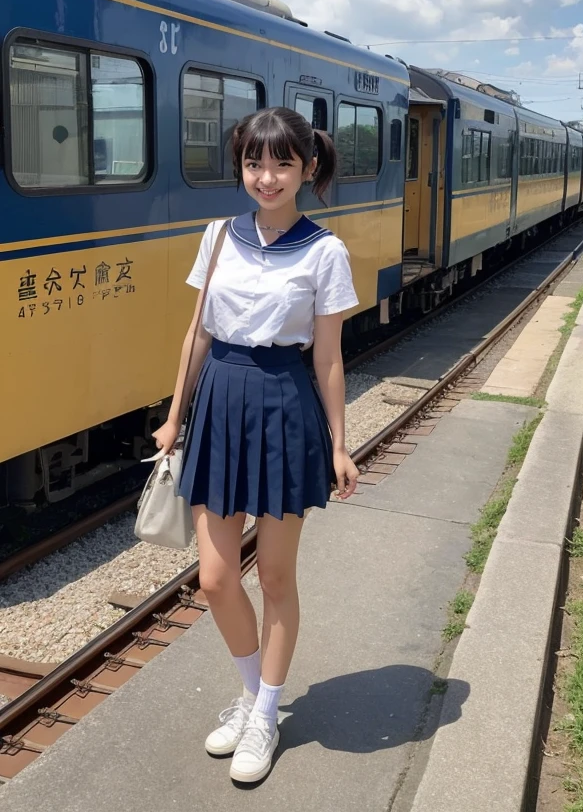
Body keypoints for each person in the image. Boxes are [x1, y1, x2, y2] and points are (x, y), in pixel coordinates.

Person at [152, 107, 360, 784]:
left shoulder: (325, 251)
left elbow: (327, 358)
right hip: (219, 398)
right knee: (213, 578)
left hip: (283, 404)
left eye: (280, 164)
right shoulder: (217, 237)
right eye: (252, 163)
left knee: (273, 577)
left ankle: (267, 712)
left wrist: (339, 443)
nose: (265, 177)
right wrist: (174, 415)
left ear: (307, 167)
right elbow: (197, 333)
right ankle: (250, 696)